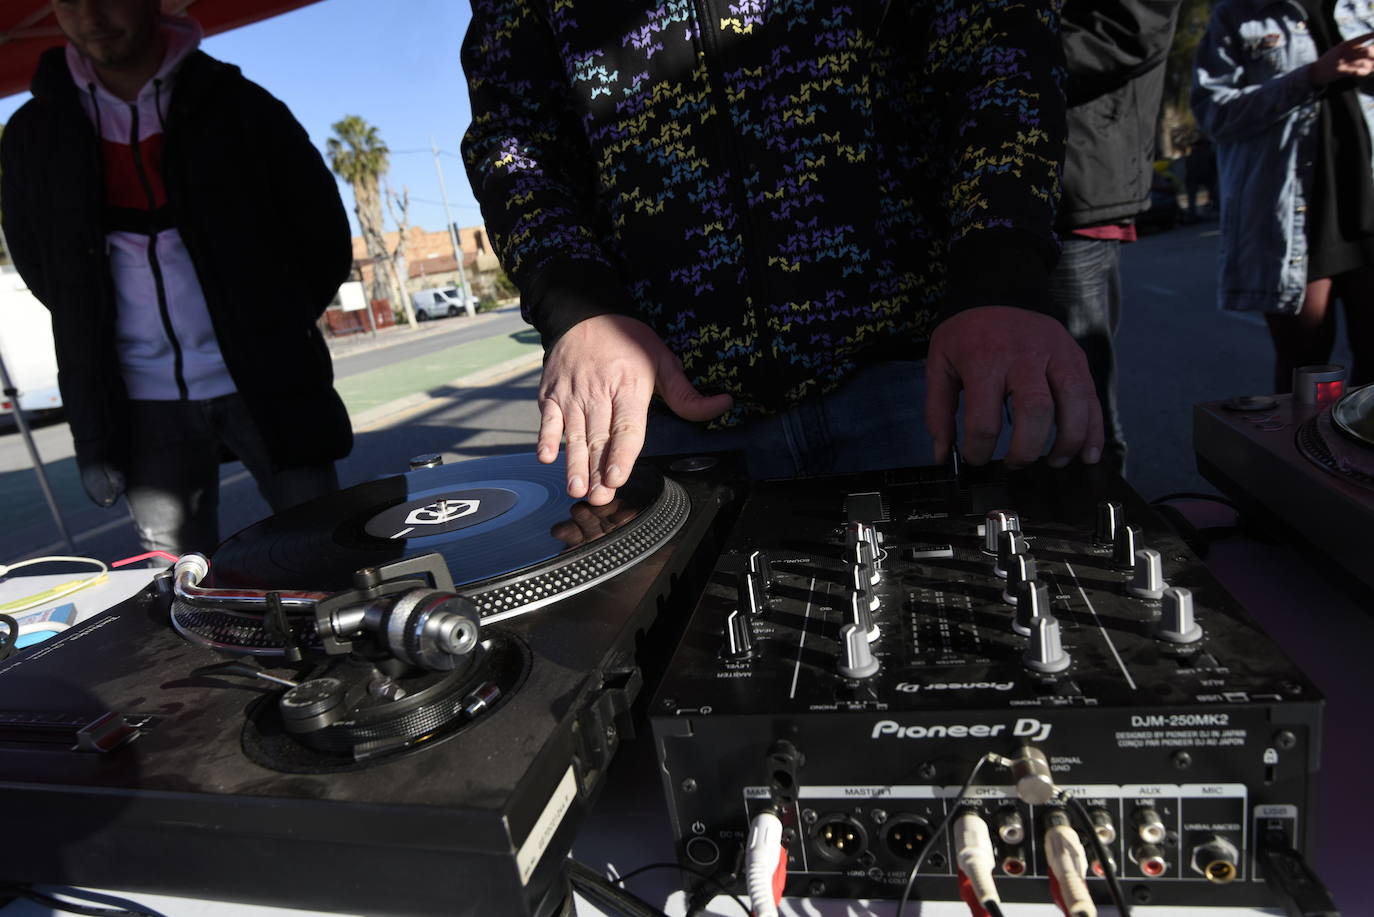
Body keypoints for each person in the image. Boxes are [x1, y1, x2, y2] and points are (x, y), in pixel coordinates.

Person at [461, 2, 1103, 506]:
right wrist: (578, 305)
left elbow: (999, 44)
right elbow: (515, 132)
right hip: (666, 402)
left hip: (923, 369)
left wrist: (999, 275)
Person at [1, 0, 354, 557]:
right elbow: (45, 268)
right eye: (68, 1)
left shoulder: (241, 105)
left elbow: (323, 234)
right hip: (137, 401)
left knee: (324, 549)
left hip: (269, 380)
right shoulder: (32, 134)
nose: (90, 17)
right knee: (177, 577)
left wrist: (271, 325)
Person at [1194, 2, 1374, 394]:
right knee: (1308, 377)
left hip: (1366, 203)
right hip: (1297, 220)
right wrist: (1312, 75)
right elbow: (1214, 114)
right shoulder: (1240, 13)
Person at [1054, 0, 1183, 476]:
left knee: (1079, 416)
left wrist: (999, 57)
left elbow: (1130, 27)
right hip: (1008, 198)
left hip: (1074, 184)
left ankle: (1097, 515)